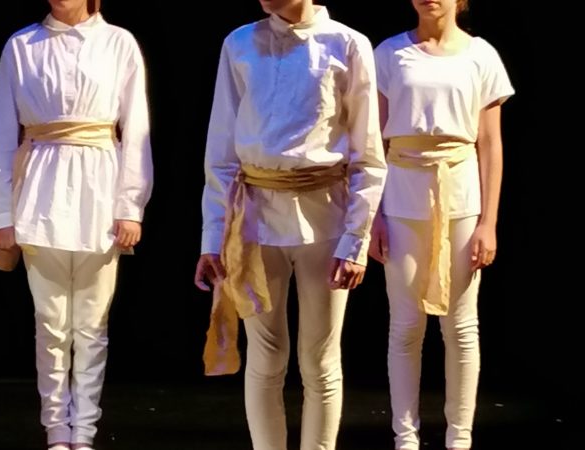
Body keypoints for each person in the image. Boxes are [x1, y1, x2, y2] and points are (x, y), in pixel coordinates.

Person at [194, 0, 386, 448]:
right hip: (255, 220)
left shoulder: (347, 43)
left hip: (326, 218)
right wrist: (213, 235)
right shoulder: (240, 43)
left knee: (320, 359)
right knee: (266, 356)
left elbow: (368, 155)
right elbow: (221, 149)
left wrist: (356, 238)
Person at [0, 0, 153, 448]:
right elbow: (0, 134)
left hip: (100, 192)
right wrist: (3, 212)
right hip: (40, 192)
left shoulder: (118, 43)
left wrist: (130, 205)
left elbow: (136, 129)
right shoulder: (22, 45)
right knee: (50, 321)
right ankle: (57, 428)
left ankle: (85, 430)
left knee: (92, 324)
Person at [369, 0, 514, 449]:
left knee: (460, 324)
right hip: (402, 194)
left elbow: (489, 143)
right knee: (405, 324)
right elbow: (373, 142)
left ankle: (459, 437)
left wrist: (488, 221)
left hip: (460, 195)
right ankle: (405, 437)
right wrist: (372, 215)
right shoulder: (389, 53)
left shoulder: (481, 55)